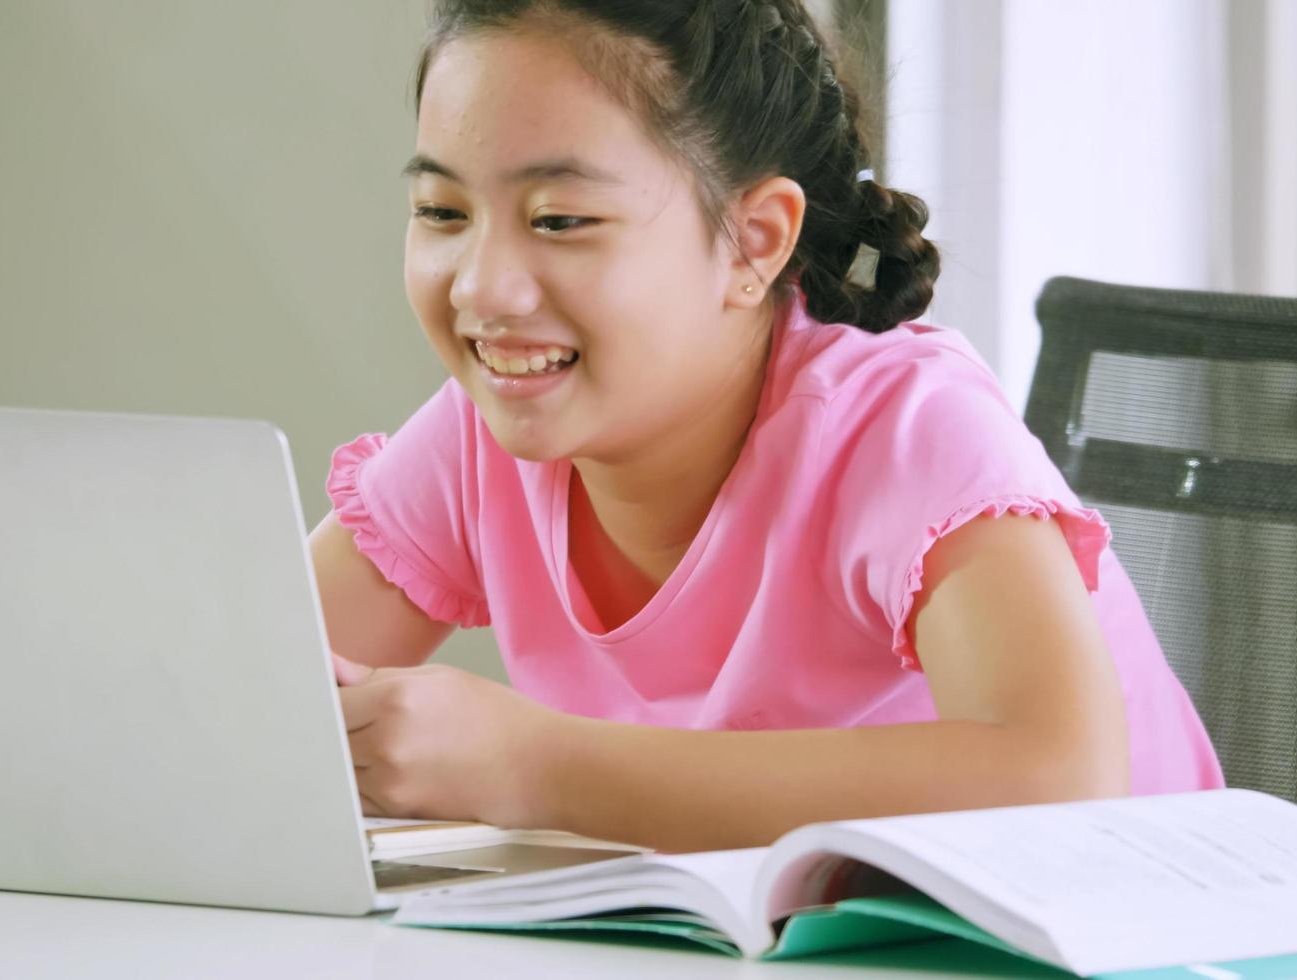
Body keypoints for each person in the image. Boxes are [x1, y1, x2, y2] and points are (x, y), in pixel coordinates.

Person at [308, 0, 1222, 854]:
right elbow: (235, 685)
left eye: (560, 219)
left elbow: (1061, 783)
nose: (481, 288)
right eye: (441, 213)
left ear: (754, 241)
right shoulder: (488, 434)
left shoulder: (906, 429)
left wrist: (531, 766)